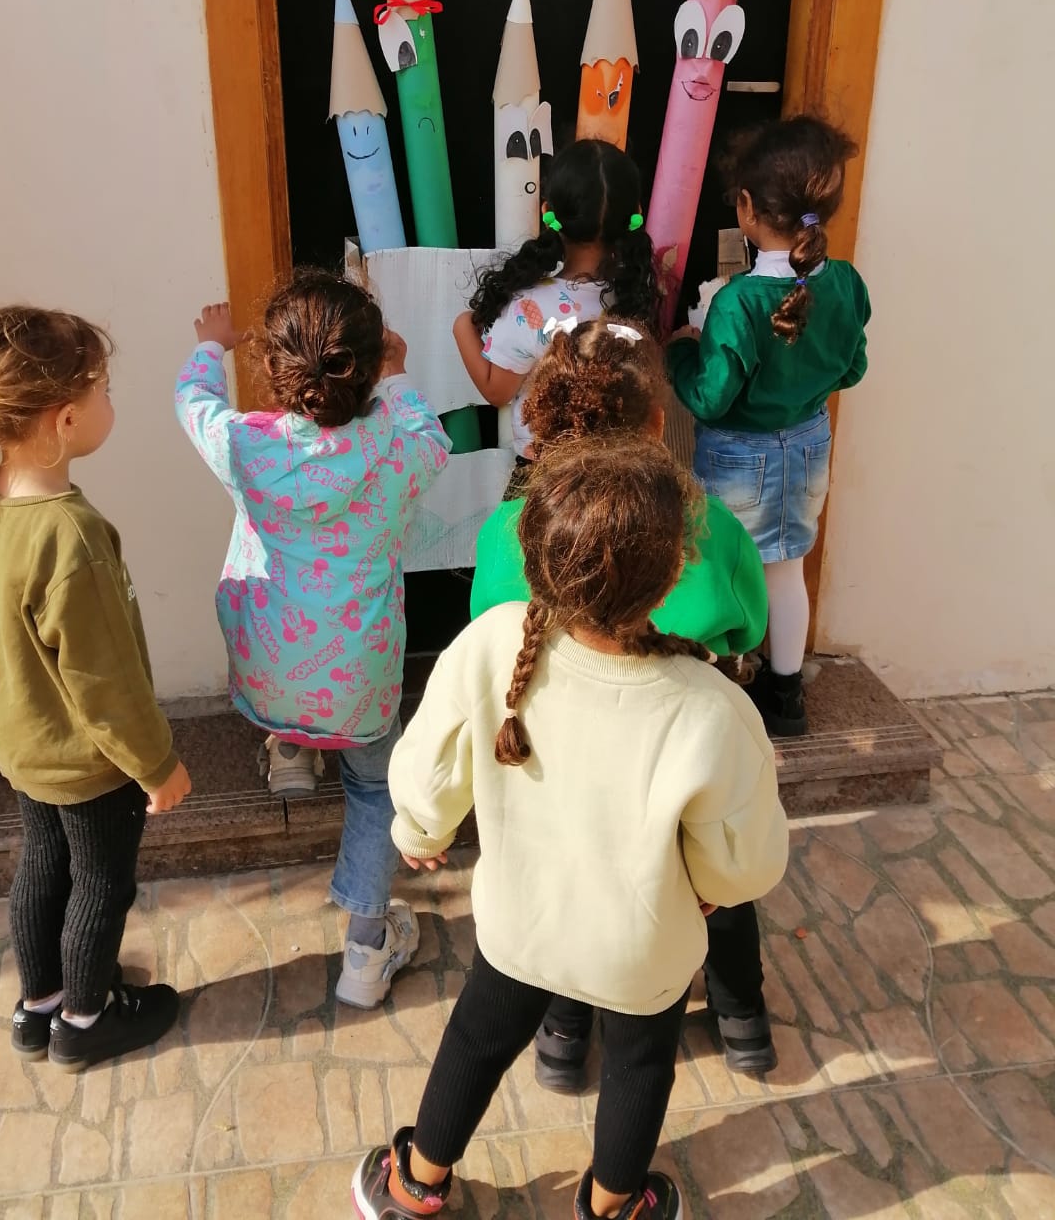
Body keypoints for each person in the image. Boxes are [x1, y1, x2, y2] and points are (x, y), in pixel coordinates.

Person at [352, 438, 788, 1220]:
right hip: (642, 949)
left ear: (536, 555)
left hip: (520, 923)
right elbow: (745, 862)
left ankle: (414, 1183)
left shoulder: (492, 641)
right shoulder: (713, 707)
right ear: (673, 576)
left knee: (476, 1039)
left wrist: (419, 830)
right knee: (640, 1064)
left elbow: (426, 769)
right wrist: (713, 892)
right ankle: (615, 1205)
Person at [471, 316, 776, 1083]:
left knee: (577, 886)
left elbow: (489, 632)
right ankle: (742, 1017)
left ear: (544, 418)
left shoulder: (505, 529)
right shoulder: (709, 524)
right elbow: (749, 624)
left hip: (564, 766)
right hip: (678, 760)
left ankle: (563, 1031)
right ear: (656, 422)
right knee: (716, 875)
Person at [0, 307, 189, 1072]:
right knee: (101, 880)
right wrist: (157, 765)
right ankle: (85, 1018)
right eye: (103, 389)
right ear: (65, 420)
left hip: (21, 742)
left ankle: (39, 1005)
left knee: (42, 862)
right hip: (86, 760)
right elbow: (105, 682)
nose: (110, 400)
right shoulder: (70, 535)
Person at [174, 274, 449, 1008]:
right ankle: (365, 951)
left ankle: (290, 751)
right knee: (373, 788)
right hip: (356, 679)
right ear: (368, 367)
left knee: (291, 683)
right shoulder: (397, 451)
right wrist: (398, 377)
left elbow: (192, 402)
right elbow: (434, 438)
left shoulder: (245, 446)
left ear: (273, 367)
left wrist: (209, 346)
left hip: (269, 668)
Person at [667, 116, 871, 738]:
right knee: (786, 571)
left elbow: (710, 397)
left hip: (739, 457)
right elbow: (853, 367)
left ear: (748, 208)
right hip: (809, 446)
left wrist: (681, 351)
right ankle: (786, 697)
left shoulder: (737, 302)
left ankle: (719, 687)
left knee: (717, 564)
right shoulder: (845, 283)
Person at [452, 138, 657, 489]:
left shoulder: (526, 308)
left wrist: (461, 327)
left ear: (548, 211)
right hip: (617, 479)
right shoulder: (635, 301)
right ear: (635, 215)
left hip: (544, 475)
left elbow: (496, 392)